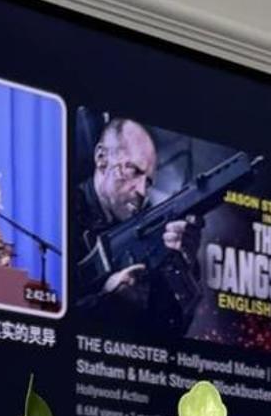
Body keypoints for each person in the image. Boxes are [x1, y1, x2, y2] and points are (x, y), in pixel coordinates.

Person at [75, 116, 194, 321]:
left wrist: (186, 263)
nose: (142, 191)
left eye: (148, 182)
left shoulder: (145, 227)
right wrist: (107, 298)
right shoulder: (59, 211)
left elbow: (170, 326)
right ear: (102, 158)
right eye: (134, 171)